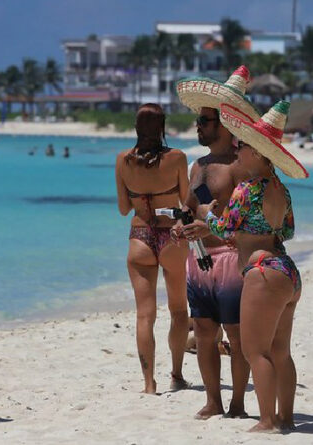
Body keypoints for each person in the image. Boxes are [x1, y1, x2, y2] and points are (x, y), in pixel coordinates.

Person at [195, 101, 308, 432]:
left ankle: (267, 420)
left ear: (258, 154)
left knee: (256, 351)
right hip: (287, 270)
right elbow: (287, 231)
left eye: (242, 146)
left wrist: (206, 214)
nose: (237, 150)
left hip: (261, 272)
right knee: (281, 352)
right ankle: (286, 418)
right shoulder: (281, 190)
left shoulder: (247, 189)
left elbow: (225, 228)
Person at [174, 66, 261, 419]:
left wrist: (206, 227)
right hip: (198, 259)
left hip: (229, 258)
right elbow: (192, 207)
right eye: (199, 120)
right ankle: (214, 400)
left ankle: (238, 403)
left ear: (225, 124)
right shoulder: (199, 165)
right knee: (205, 332)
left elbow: (244, 220)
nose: (199, 126)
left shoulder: (241, 166)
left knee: (237, 335)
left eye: (206, 120)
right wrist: (182, 221)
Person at [115, 103, 190, 394]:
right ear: (162, 128)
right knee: (179, 310)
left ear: (136, 127)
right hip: (171, 236)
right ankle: (177, 374)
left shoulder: (123, 160)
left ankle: (148, 384)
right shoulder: (178, 158)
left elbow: (123, 209)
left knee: (145, 316)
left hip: (140, 236)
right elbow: (185, 199)